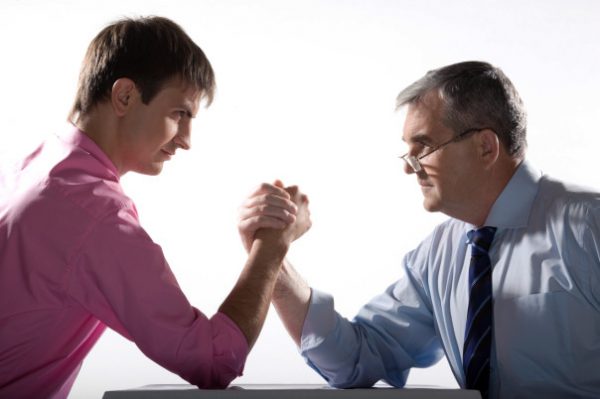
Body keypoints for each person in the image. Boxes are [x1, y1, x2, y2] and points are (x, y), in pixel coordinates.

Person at [239, 61, 600, 399]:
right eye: (408, 152)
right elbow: (357, 359)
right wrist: (274, 262)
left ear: (485, 147)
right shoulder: (440, 254)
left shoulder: (589, 227)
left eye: (424, 146)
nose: (410, 168)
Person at [0, 16, 310, 398]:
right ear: (125, 96)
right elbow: (212, 361)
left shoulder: (30, 167)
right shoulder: (92, 215)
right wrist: (272, 246)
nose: (186, 140)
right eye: (179, 113)